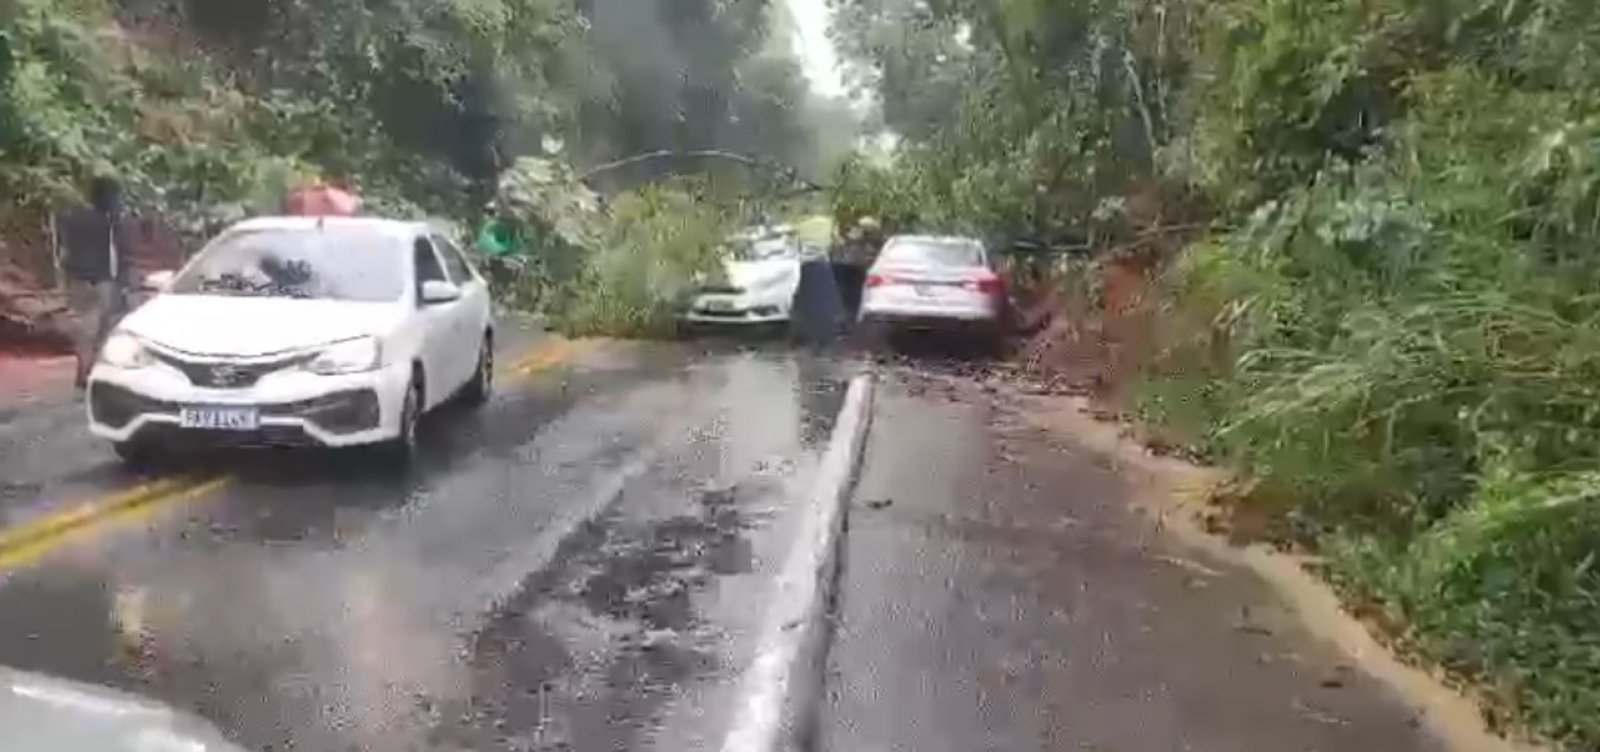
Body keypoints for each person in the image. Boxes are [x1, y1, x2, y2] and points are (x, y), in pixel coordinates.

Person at [57, 176, 132, 388]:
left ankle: (83, 371)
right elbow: (119, 252)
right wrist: (123, 282)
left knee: (84, 328)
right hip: (102, 279)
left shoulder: (74, 217)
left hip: (77, 278)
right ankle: (95, 373)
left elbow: (65, 250)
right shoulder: (110, 220)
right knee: (102, 328)